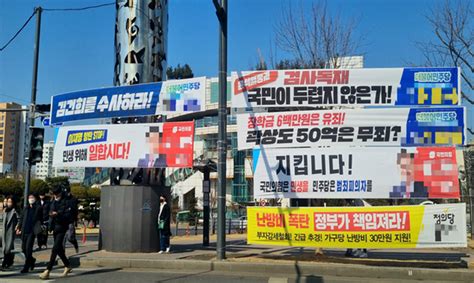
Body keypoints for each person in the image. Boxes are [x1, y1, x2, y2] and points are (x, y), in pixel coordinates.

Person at [39, 186, 73, 280]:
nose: (55, 195)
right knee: (59, 249)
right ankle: (67, 265)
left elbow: (68, 215)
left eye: (56, 194)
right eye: (53, 194)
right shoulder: (53, 201)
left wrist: (57, 214)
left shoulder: (66, 201)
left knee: (55, 248)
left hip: (62, 227)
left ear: (60, 193)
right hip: (54, 227)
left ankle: (48, 270)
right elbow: (49, 211)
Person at [17, 193, 43, 273]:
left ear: (35, 198)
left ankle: (26, 266)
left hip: (32, 231)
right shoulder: (26, 208)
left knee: (28, 249)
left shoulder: (38, 208)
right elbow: (21, 218)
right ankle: (32, 260)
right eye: (29, 197)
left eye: (32, 197)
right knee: (24, 249)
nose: (30, 199)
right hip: (25, 230)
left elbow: (41, 218)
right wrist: (19, 227)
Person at [1, 196, 18, 270]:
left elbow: (19, 219)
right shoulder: (5, 210)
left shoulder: (15, 211)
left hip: (10, 231)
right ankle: (8, 262)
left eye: (10, 202)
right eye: (8, 202)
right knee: (5, 248)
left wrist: (17, 227)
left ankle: (5, 263)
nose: (9, 203)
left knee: (7, 248)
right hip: (4, 231)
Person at [64, 189, 79, 253]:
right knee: (63, 239)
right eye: (66, 192)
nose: (68, 193)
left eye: (68, 192)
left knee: (70, 237)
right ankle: (63, 253)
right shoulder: (62, 199)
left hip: (71, 220)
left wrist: (76, 220)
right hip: (63, 221)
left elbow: (75, 211)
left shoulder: (74, 199)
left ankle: (75, 243)